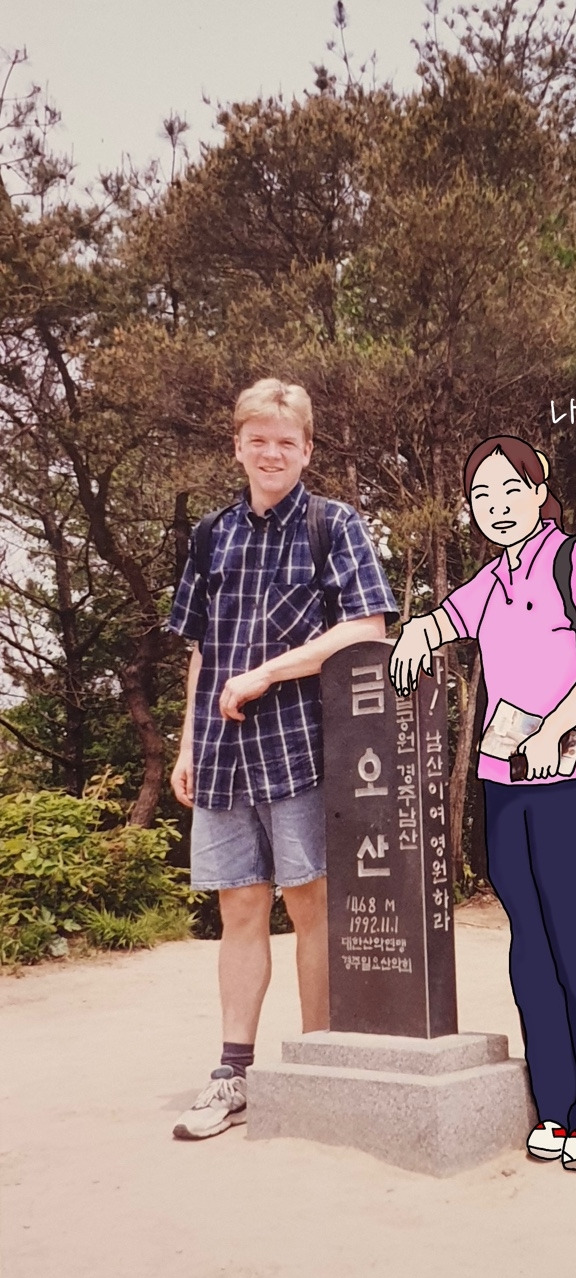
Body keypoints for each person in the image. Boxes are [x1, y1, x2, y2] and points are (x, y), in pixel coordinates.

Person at [389, 435, 576, 1172]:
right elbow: (445, 620)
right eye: (481, 497)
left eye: (509, 491)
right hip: (506, 785)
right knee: (531, 948)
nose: (496, 507)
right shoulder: (491, 578)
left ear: (538, 491)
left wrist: (554, 728)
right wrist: (416, 633)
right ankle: (556, 1103)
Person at [166, 379, 397, 1139]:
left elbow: (367, 626)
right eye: (258, 440)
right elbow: (202, 650)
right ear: (237, 446)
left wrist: (267, 673)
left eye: (286, 442)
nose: (272, 453)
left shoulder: (334, 525)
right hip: (221, 754)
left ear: (306, 449)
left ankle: (318, 1071)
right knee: (238, 909)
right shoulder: (211, 535)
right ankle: (231, 1075)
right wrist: (188, 743)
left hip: (304, 749)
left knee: (311, 907)